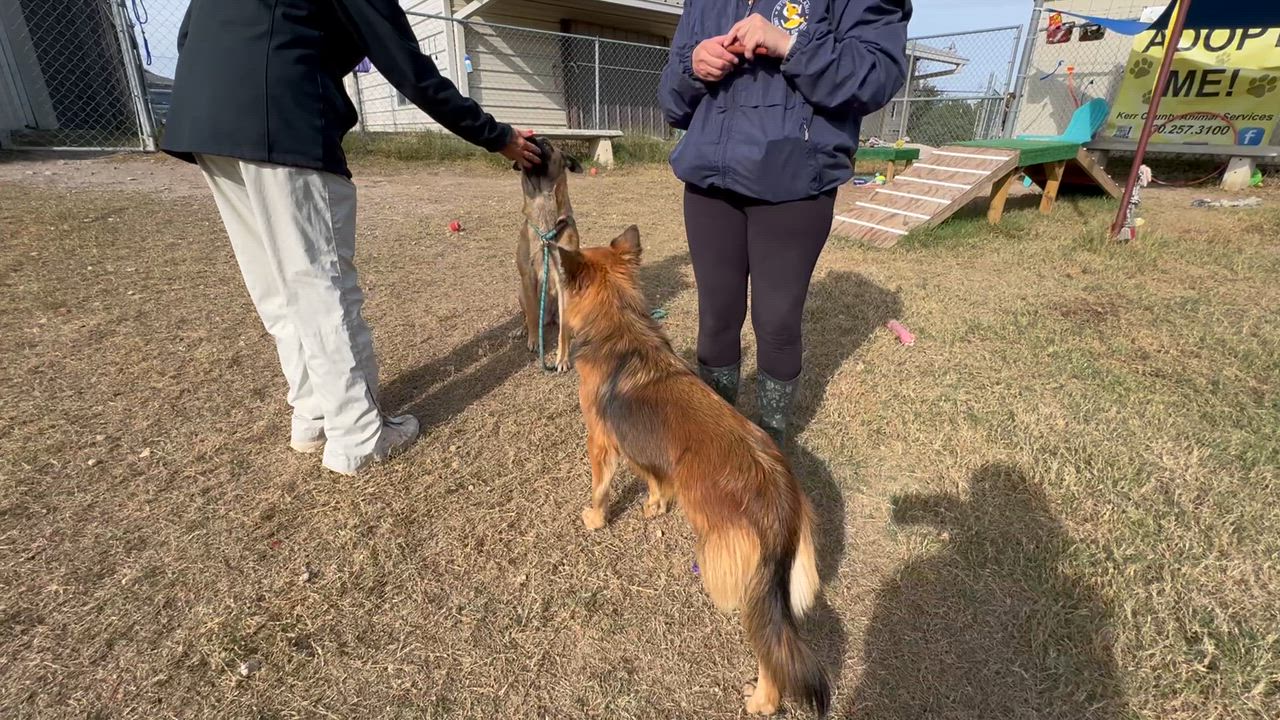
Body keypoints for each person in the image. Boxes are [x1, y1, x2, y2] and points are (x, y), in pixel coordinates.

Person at [162, 0, 540, 476]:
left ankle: (312, 414)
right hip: (284, 117)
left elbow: (188, 35)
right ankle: (359, 435)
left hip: (206, 120)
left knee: (278, 288)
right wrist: (496, 135)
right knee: (323, 286)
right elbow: (408, 67)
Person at [659, 0, 910, 447]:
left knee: (775, 322)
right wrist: (693, 65)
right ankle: (719, 444)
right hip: (709, 179)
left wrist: (790, 44)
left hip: (795, 179)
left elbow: (877, 75)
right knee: (716, 316)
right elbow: (673, 101)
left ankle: (771, 449)